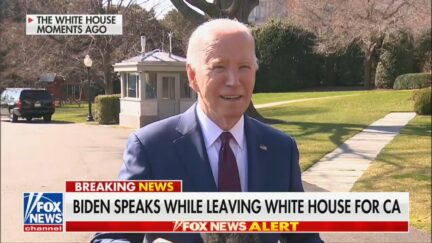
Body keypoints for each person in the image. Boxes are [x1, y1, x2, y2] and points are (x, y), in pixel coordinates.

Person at [91, 18, 323, 243]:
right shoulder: (151, 149)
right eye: (219, 67)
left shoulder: (281, 149)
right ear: (192, 76)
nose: (234, 80)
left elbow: (304, 237)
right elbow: (110, 236)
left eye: (244, 67)